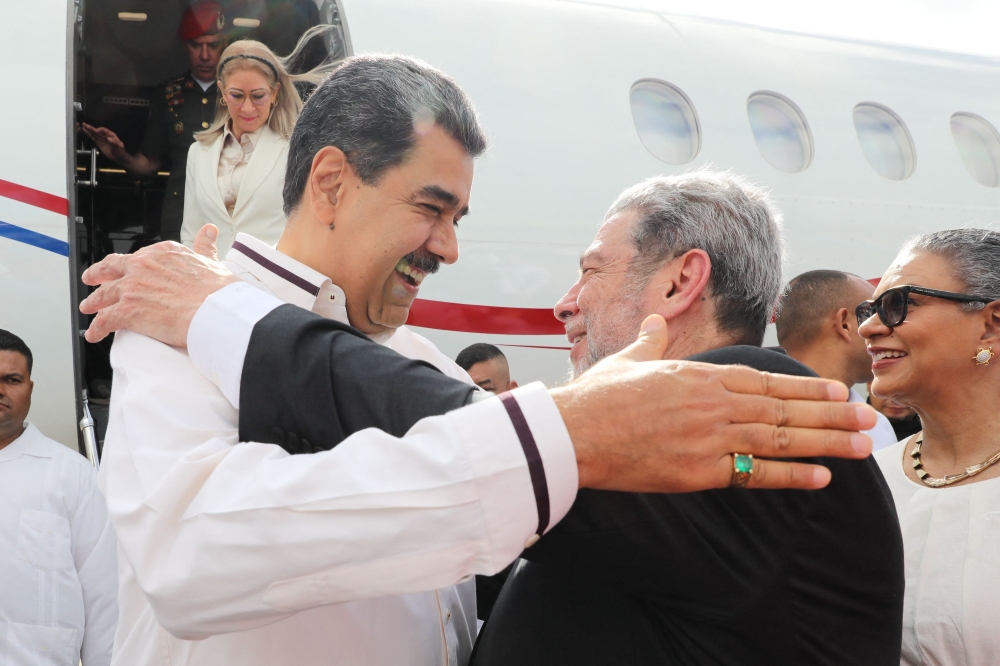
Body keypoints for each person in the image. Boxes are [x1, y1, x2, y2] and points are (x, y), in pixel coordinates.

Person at [78, 56, 877, 664]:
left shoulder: (417, 362)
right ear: (330, 183)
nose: (449, 248)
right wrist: (557, 436)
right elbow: (186, 559)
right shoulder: (170, 325)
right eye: (431, 208)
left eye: (458, 216)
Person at [471, 172, 904, 665]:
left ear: (681, 283)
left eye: (592, 272)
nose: (565, 303)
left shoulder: (741, 397)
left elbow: (493, 476)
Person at [865, 229, 1000, 665]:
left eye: (899, 303)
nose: (868, 327)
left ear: (990, 325)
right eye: (870, 308)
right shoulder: (865, 480)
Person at [0, 330, 118, 666]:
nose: (0, 390)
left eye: (11, 379)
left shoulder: (72, 476)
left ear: (30, 389)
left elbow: (105, 600)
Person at [181, 29, 338, 258]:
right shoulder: (198, 152)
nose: (247, 108)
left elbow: (313, 228)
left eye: (257, 96)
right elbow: (190, 234)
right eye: (237, 95)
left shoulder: (294, 151)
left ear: (274, 93)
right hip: (212, 285)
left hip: (272, 285)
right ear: (222, 91)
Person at [81, 1, 226, 241]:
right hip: (181, 218)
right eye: (195, 45)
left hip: (230, 217)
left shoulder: (240, 92)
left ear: (225, 46)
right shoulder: (168, 94)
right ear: (183, 46)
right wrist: (121, 155)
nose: (204, 55)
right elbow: (148, 166)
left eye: (212, 46)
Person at [777, 269, 899, 450]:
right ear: (844, 324)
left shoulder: (879, 426)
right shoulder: (760, 415)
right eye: (874, 314)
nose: (886, 329)